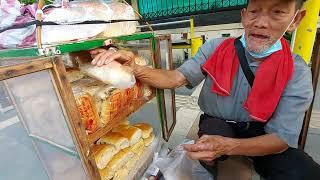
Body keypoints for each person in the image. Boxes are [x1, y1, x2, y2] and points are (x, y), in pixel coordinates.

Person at [90, 0, 320, 179]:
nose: (261, 22)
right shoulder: (216, 47)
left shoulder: (296, 71)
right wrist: (134, 68)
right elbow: (174, 79)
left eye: (277, 12)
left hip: (263, 134)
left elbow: (281, 138)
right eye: (254, 11)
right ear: (243, 15)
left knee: (304, 172)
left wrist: (231, 147)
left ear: (295, 20)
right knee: (216, 153)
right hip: (217, 125)